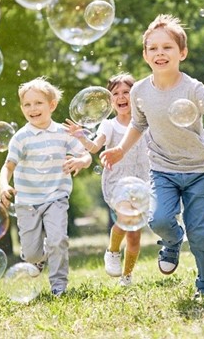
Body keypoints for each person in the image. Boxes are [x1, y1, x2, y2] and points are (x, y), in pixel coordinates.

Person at [100, 14, 204, 299]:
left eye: (167, 47)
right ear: (145, 55)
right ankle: (172, 241)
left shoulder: (192, 88)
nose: (160, 53)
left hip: (197, 169)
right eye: (153, 48)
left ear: (181, 52)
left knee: (200, 233)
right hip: (162, 169)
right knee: (158, 219)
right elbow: (138, 124)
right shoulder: (139, 91)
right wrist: (121, 149)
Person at [0, 76, 92, 297]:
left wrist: (81, 161)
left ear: (51, 105)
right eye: (27, 104)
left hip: (56, 197)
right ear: (22, 108)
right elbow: (8, 166)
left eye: (38, 103)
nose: (32, 108)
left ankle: (58, 285)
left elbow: (86, 154)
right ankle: (37, 261)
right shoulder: (21, 138)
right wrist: (4, 185)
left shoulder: (63, 133)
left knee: (58, 240)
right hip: (27, 202)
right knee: (31, 253)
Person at [64, 73, 149, 287]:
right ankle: (112, 251)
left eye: (126, 92)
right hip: (118, 181)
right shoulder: (108, 126)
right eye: (116, 94)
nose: (121, 97)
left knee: (135, 236)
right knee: (124, 219)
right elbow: (94, 147)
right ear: (110, 101)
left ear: (135, 95)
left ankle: (127, 276)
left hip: (143, 181)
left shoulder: (145, 122)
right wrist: (81, 136)